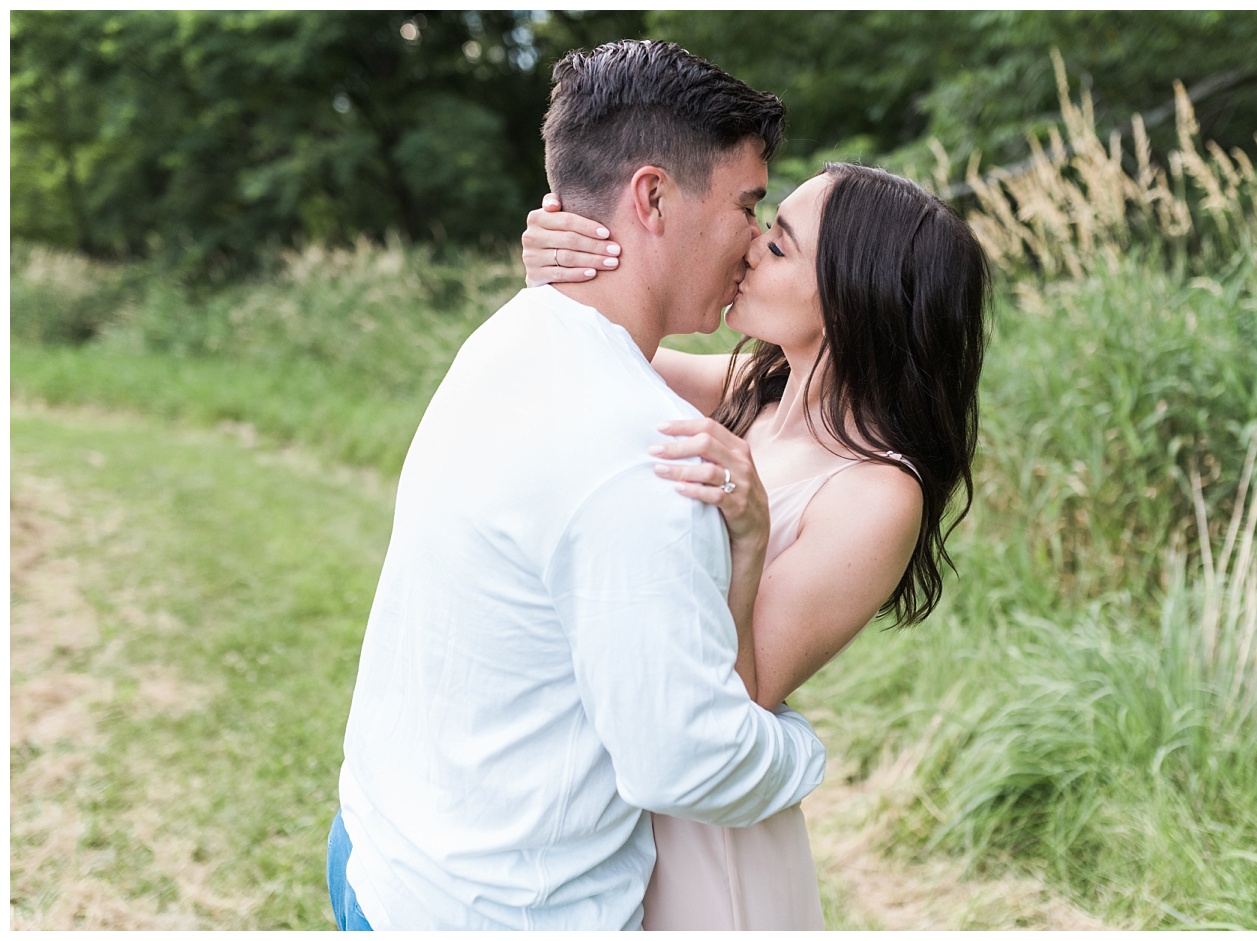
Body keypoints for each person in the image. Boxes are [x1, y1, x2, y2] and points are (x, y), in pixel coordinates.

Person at [328, 40, 828, 931]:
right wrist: (805, 749)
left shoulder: (515, 333)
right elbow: (686, 762)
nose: (756, 240)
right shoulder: (646, 454)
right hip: (497, 911)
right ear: (651, 197)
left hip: (381, 848)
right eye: (749, 204)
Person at [520, 161, 990, 928]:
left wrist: (749, 538)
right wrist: (560, 263)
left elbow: (744, 692)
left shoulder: (877, 491)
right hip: (631, 780)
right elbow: (600, 344)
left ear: (850, 295)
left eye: (777, 247)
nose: (747, 251)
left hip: (707, 837)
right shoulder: (753, 390)